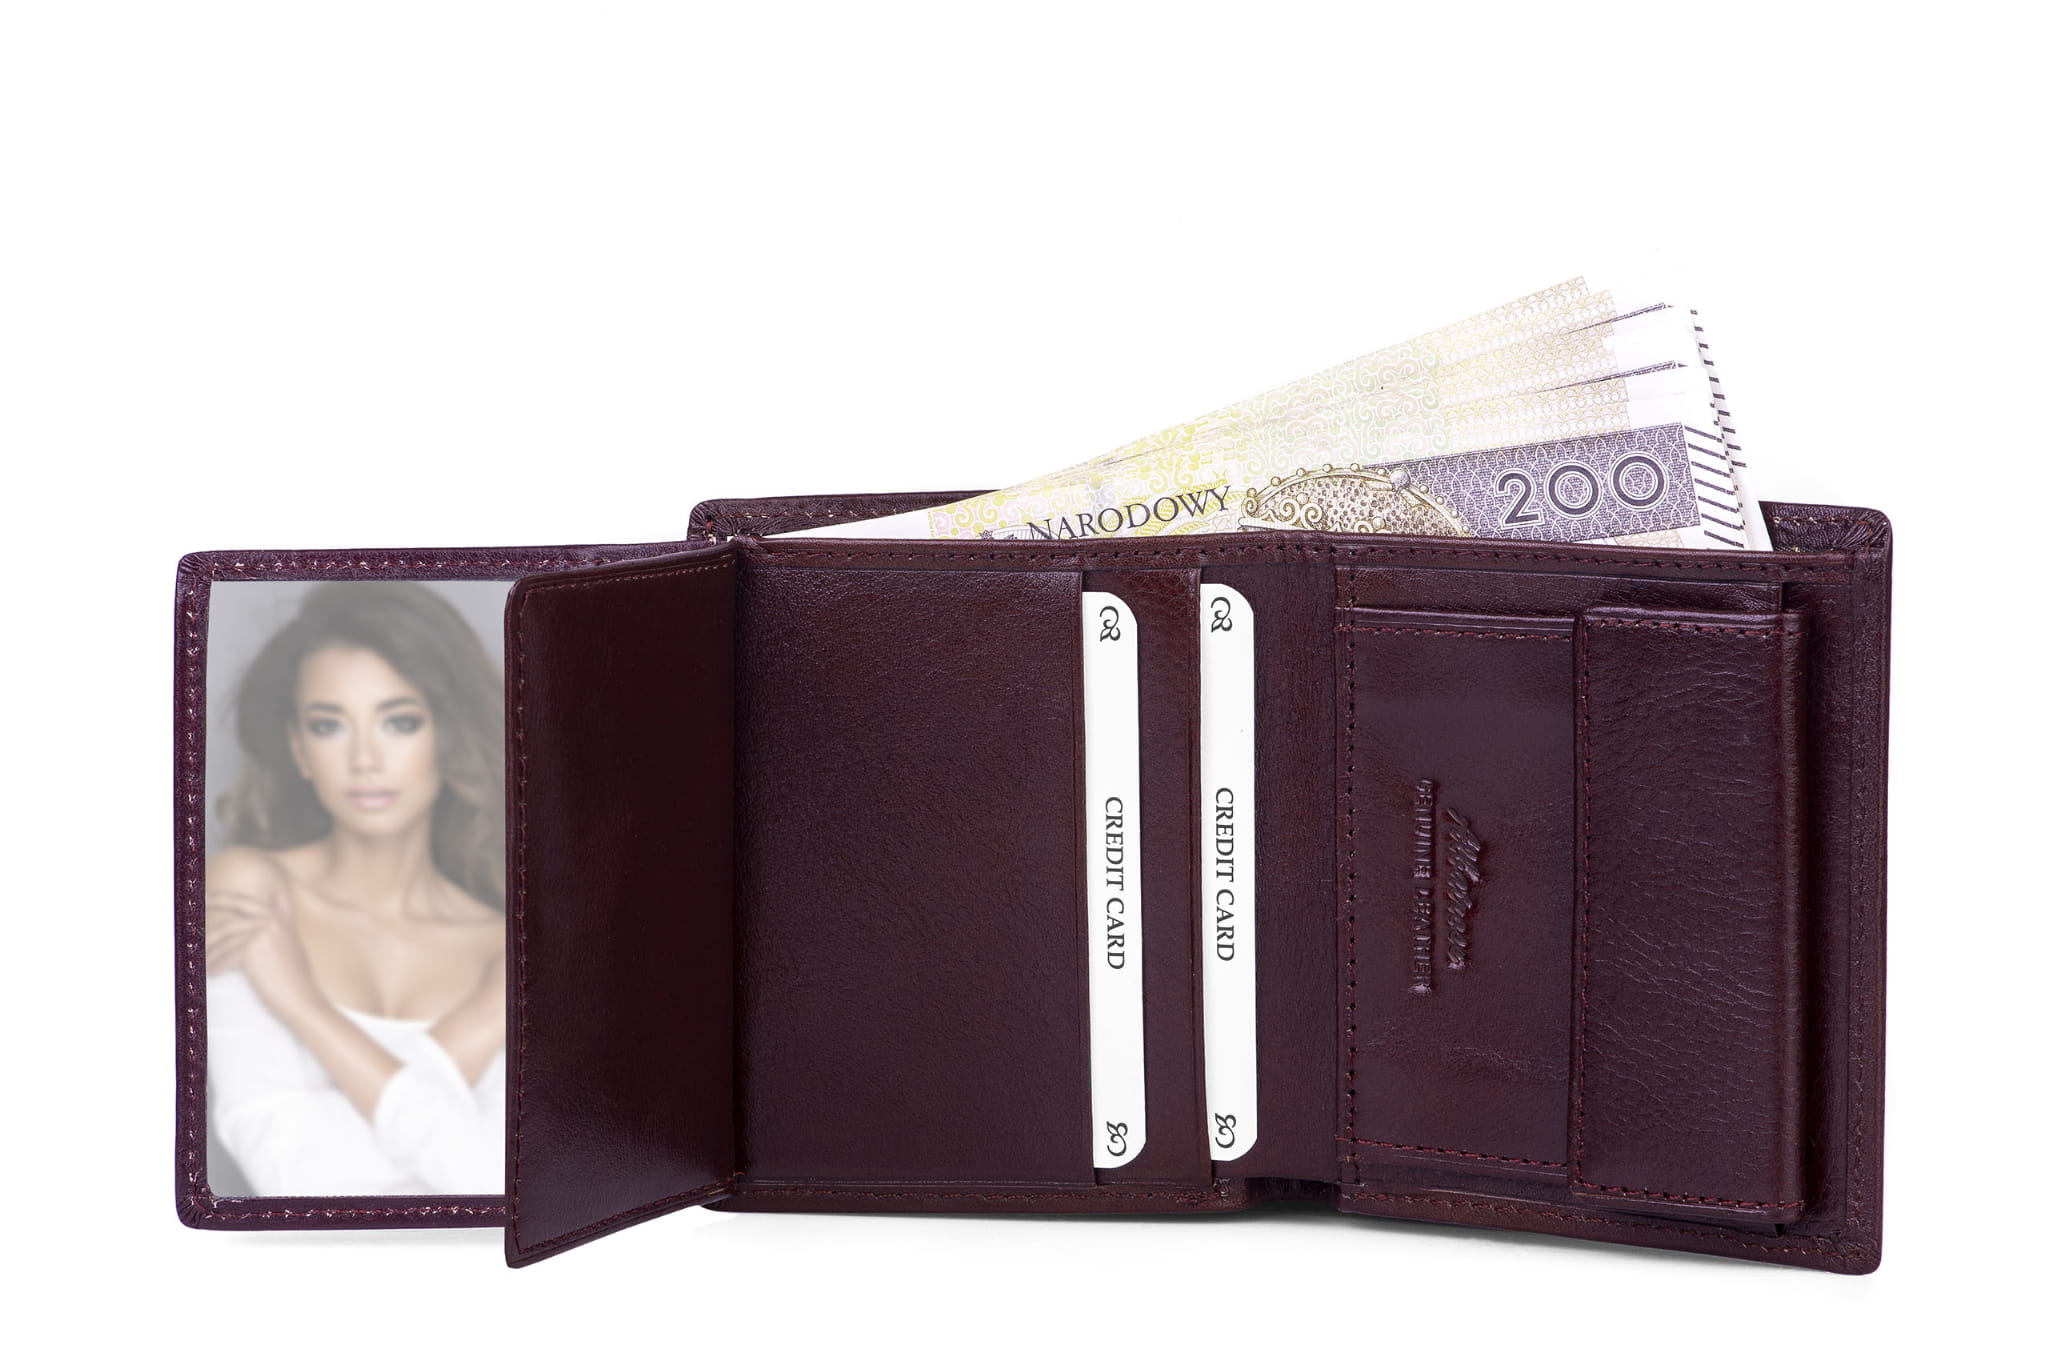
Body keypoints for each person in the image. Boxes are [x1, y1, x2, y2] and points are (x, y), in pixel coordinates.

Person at [205, 582, 506, 1196]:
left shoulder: (511, 945)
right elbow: (287, 1176)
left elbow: (495, 1175)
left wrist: (301, 1007)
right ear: (299, 748)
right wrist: (480, 1026)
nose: (365, 758)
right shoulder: (252, 893)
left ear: (447, 737)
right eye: (329, 726)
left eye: (399, 722)